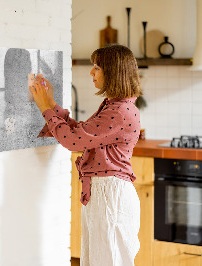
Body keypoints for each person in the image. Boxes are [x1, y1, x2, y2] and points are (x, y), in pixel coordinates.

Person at [30, 44, 142, 266]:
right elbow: (81, 133)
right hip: (105, 193)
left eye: (97, 67)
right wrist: (51, 104)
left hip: (110, 195)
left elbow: (73, 141)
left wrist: (45, 107)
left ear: (113, 72)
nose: (91, 72)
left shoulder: (119, 111)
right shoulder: (115, 106)